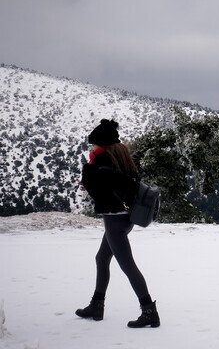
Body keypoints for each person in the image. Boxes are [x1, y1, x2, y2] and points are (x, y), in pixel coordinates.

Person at [76, 119, 160, 328]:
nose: (91, 148)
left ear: (101, 144)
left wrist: (88, 169)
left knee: (128, 266)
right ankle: (97, 305)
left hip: (114, 220)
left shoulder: (103, 162)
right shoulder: (120, 156)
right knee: (101, 258)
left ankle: (149, 311)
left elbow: (97, 191)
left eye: (93, 144)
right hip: (124, 218)